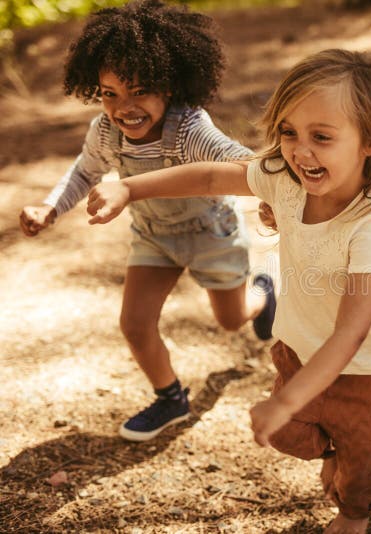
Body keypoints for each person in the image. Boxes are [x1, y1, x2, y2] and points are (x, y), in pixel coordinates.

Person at [84, 49, 371, 534]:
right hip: (300, 345)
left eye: (321, 137)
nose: (300, 151)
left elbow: (351, 334)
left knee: (363, 464)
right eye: (289, 132)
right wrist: (130, 189)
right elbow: (206, 174)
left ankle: (353, 516)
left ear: (370, 142)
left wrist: (283, 402)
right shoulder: (285, 177)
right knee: (287, 435)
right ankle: (333, 449)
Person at [18, 0, 276, 442]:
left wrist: (270, 191)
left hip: (210, 233)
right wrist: (51, 207)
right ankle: (170, 398)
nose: (124, 107)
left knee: (232, 320)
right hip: (153, 238)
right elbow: (84, 171)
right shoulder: (104, 132)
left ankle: (263, 296)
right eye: (110, 93)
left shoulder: (190, 129)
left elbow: (242, 164)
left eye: (139, 91)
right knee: (135, 324)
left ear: (170, 87)